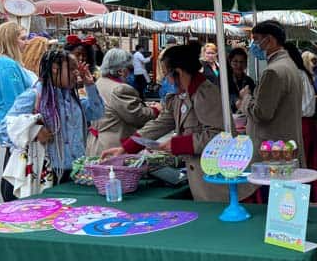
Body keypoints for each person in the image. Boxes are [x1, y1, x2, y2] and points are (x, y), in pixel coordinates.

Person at [102, 44, 249, 202]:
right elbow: (159, 124)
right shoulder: (180, 96)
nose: (167, 80)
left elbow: (220, 136)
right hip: (199, 179)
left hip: (217, 181)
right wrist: (126, 148)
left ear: (178, 72)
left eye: (167, 75)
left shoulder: (206, 94)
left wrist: (178, 145)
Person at [4, 49, 104, 184]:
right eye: (72, 69)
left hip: (76, 170)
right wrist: (35, 130)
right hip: (47, 173)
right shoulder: (35, 96)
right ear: (55, 69)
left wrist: (90, 85)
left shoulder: (74, 98)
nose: (77, 73)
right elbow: (5, 127)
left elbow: (97, 112)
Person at [237, 20, 304, 163]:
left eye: (256, 40)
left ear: (270, 40)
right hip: (284, 146)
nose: (253, 46)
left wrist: (246, 98)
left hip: (273, 152)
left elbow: (262, 113)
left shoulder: (273, 71)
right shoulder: (289, 65)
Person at [0, 21, 34, 201]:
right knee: (14, 170)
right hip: (15, 128)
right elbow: (16, 102)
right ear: (10, 41)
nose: (26, 42)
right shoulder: (7, 65)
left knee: (14, 167)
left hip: (10, 126)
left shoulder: (5, 63)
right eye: (22, 39)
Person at [86, 48, 158, 157]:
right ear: (121, 71)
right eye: (130, 68)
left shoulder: (99, 82)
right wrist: (156, 110)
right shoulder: (120, 89)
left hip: (96, 143)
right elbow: (137, 116)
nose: (131, 72)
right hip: (113, 146)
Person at [300, 51, 317, 202]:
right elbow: (306, 102)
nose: (315, 64)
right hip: (306, 121)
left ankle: (312, 193)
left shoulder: (311, 76)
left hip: (312, 121)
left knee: (311, 159)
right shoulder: (303, 77)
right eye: (312, 60)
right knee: (307, 160)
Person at [227, 47, 255, 112]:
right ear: (230, 62)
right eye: (235, 61)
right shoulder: (226, 80)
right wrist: (240, 97)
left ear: (246, 63)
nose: (239, 65)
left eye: (242, 62)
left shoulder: (249, 81)